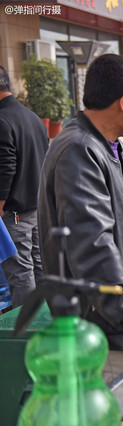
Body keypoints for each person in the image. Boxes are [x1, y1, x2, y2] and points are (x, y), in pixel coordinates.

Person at [38, 54, 123, 355]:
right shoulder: (79, 149)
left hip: (118, 310)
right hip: (100, 322)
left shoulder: (110, 145)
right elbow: (91, 243)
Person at [0, 65, 48, 307]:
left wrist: (0, 204)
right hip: (37, 208)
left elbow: (6, 166)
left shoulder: (2, 119)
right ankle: (43, 324)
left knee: (20, 272)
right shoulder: (33, 117)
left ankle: (25, 331)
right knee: (39, 267)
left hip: (15, 212)